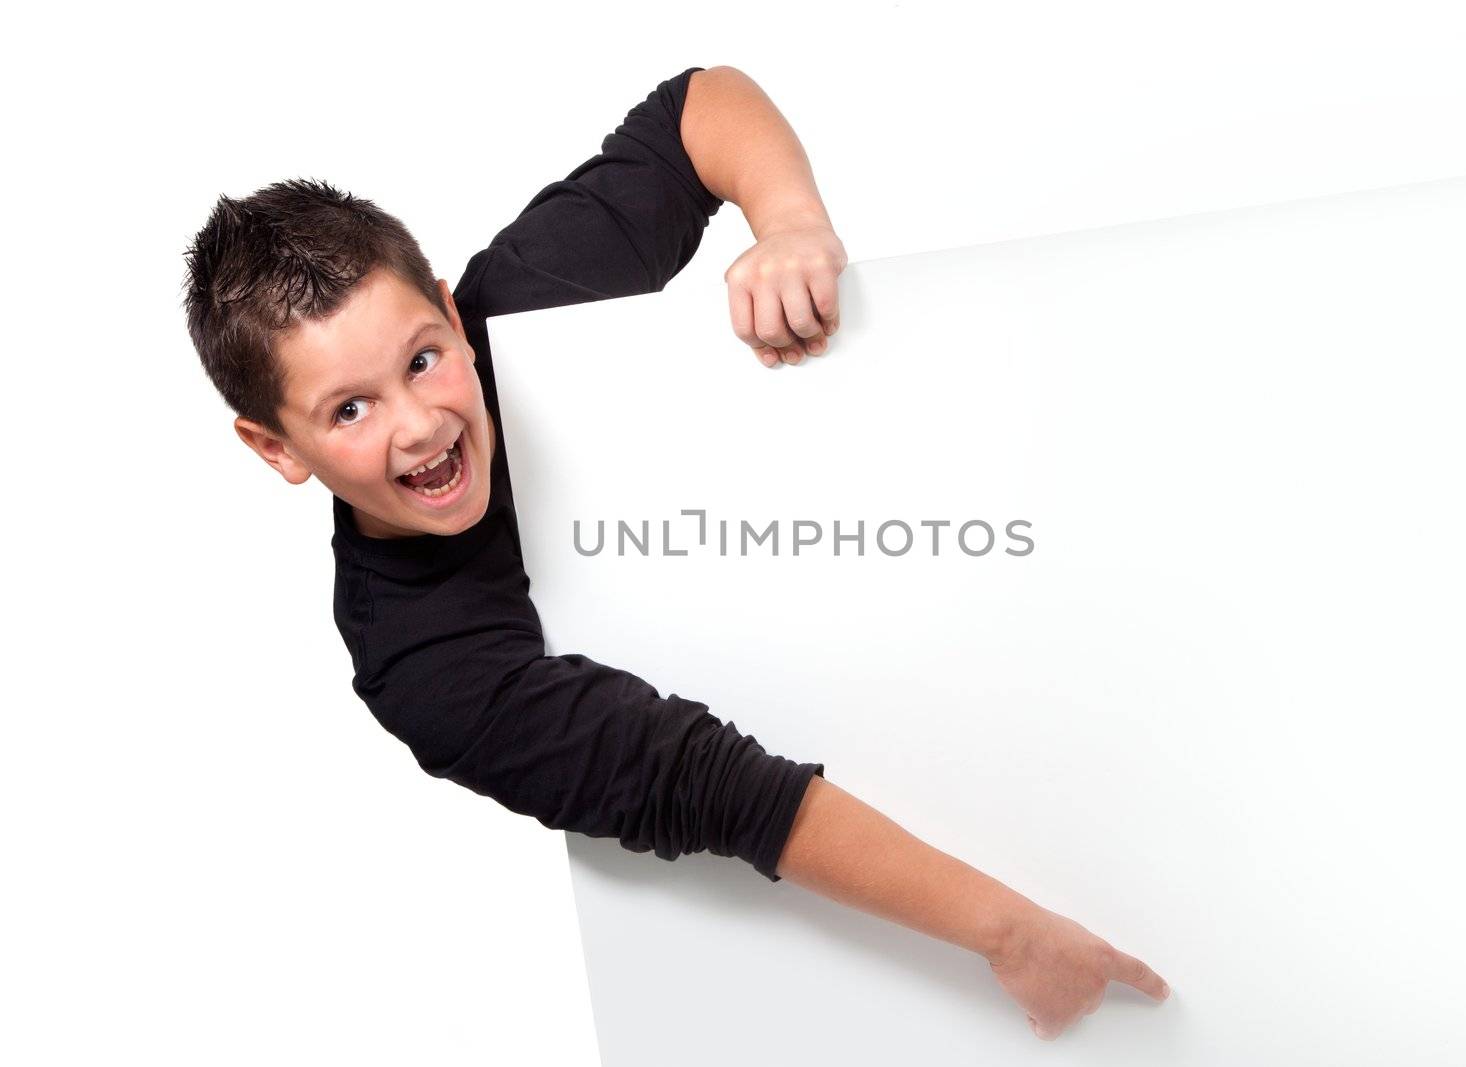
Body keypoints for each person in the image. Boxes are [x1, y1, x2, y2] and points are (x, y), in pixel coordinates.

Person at [181, 64, 1169, 1040]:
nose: (418, 424)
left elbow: (697, 106)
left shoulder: (519, 313)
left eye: (423, 358)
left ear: (449, 311)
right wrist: (1007, 932)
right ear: (275, 445)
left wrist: (789, 226)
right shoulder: (425, 666)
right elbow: (708, 783)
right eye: (348, 409)